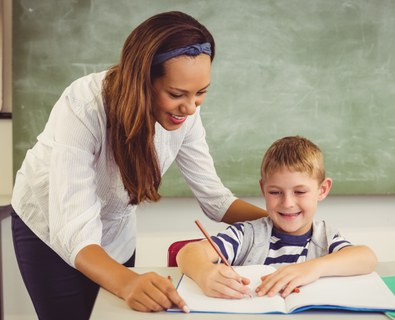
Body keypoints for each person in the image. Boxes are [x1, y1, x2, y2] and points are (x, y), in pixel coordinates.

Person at [10, 11, 266, 320]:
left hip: (114, 231)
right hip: (50, 228)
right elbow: (75, 231)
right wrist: (127, 282)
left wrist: (283, 222)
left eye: (200, 93)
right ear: (143, 80)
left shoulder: (186, 113)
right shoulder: (83, 106)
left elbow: (216, 200)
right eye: (176, 94)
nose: (190, 107)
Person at [177, 136, 377, 299]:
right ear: (263, 189)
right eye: (275, 192)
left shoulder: (325, 237)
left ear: (322, 190)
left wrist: (313, 268)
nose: (288, 203)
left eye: (299, 192)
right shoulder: (246, 234)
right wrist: (205, 273)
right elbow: (188, 253)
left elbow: (367, 258)